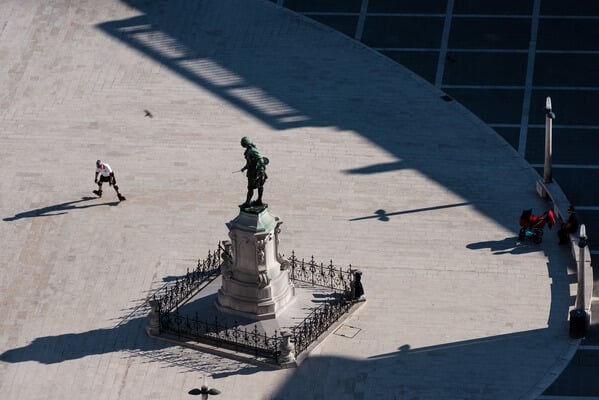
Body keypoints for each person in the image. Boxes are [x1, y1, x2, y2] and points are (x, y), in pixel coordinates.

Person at [239, 137, 268, 208]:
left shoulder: (252, 151)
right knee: (259, 186)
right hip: (253, 171)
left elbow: (261, 160)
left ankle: (248, 202)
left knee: (251, 187)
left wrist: (259, 170)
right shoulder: (249, 150)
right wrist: (244, 168)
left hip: (255, 172)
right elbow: (249, 162)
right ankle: (258, 200)